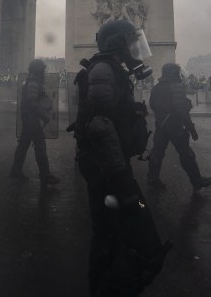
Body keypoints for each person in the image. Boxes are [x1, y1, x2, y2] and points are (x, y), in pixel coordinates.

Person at [72, 20, 170, 296]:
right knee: (118, 228)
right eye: (131, 41)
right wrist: (122, 179)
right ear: (118, 44)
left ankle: (108, 285)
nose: (137, 47)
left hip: (108, 165)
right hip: (109, 170)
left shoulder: (111, 68)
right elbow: (99, 125)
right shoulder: (104, 70)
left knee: (114, 228)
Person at [147, 63, 211, 192]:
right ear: (174, 73)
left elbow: (152, 105)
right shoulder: (176, 86)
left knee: (157, 153)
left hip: (161, 125)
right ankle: (197, 181)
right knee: (186, 154)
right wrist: (190, 128)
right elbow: (181, 109)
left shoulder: (157, 87)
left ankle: (152, 179)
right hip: (175, 126)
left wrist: (162, 116)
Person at [9, 59, 60, 189]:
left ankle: (16, 170)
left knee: (23, 145)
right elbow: (32, 103)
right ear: (38, 70)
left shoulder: (30, 81)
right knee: (40, 146)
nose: (44, 72)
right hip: (31, 119)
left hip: (28, 118)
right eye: (42, 69)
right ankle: (45, 175)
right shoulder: (33, 83)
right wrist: (43, 115)